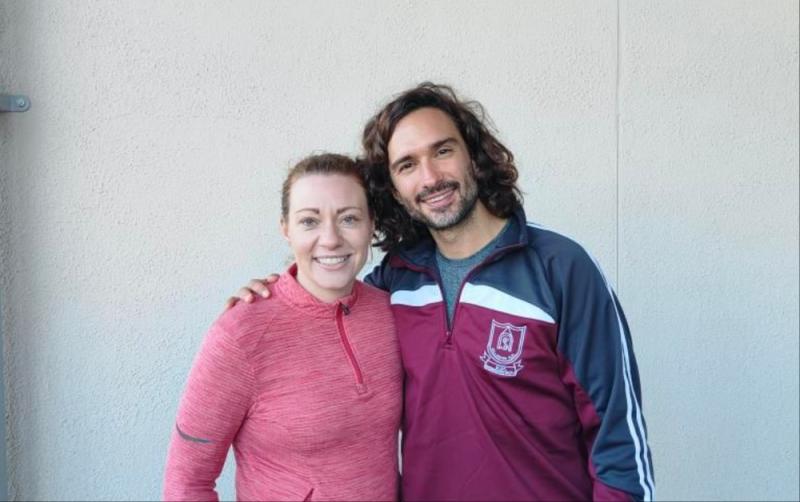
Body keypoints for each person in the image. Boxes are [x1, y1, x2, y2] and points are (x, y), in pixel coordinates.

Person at [229, 83, 655, 501]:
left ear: (474, 154)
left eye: (443, 151)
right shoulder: (395, 282)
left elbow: (618, 433)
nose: (430, 177)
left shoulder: (560, 268)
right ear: (393, 188)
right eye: (407, 165)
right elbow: (323, 311)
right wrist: (270, 300)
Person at [164, 154, 402, 501]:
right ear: (286, 229)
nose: (331, 238)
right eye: (309, 221)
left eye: (349, 218)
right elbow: (187, 483)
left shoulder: (391, 314)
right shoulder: (241, 334)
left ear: (371, 225)